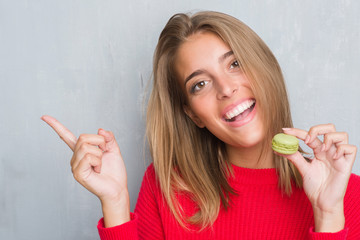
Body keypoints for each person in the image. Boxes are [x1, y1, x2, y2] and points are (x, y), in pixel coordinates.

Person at [42, 11, 360, 239]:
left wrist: (328, 214)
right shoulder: (165, 188)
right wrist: (115, 204)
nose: (226, 88)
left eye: (235, 64)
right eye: (200, 84)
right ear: (193, 115)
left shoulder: (346, 192)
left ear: (265, 68)